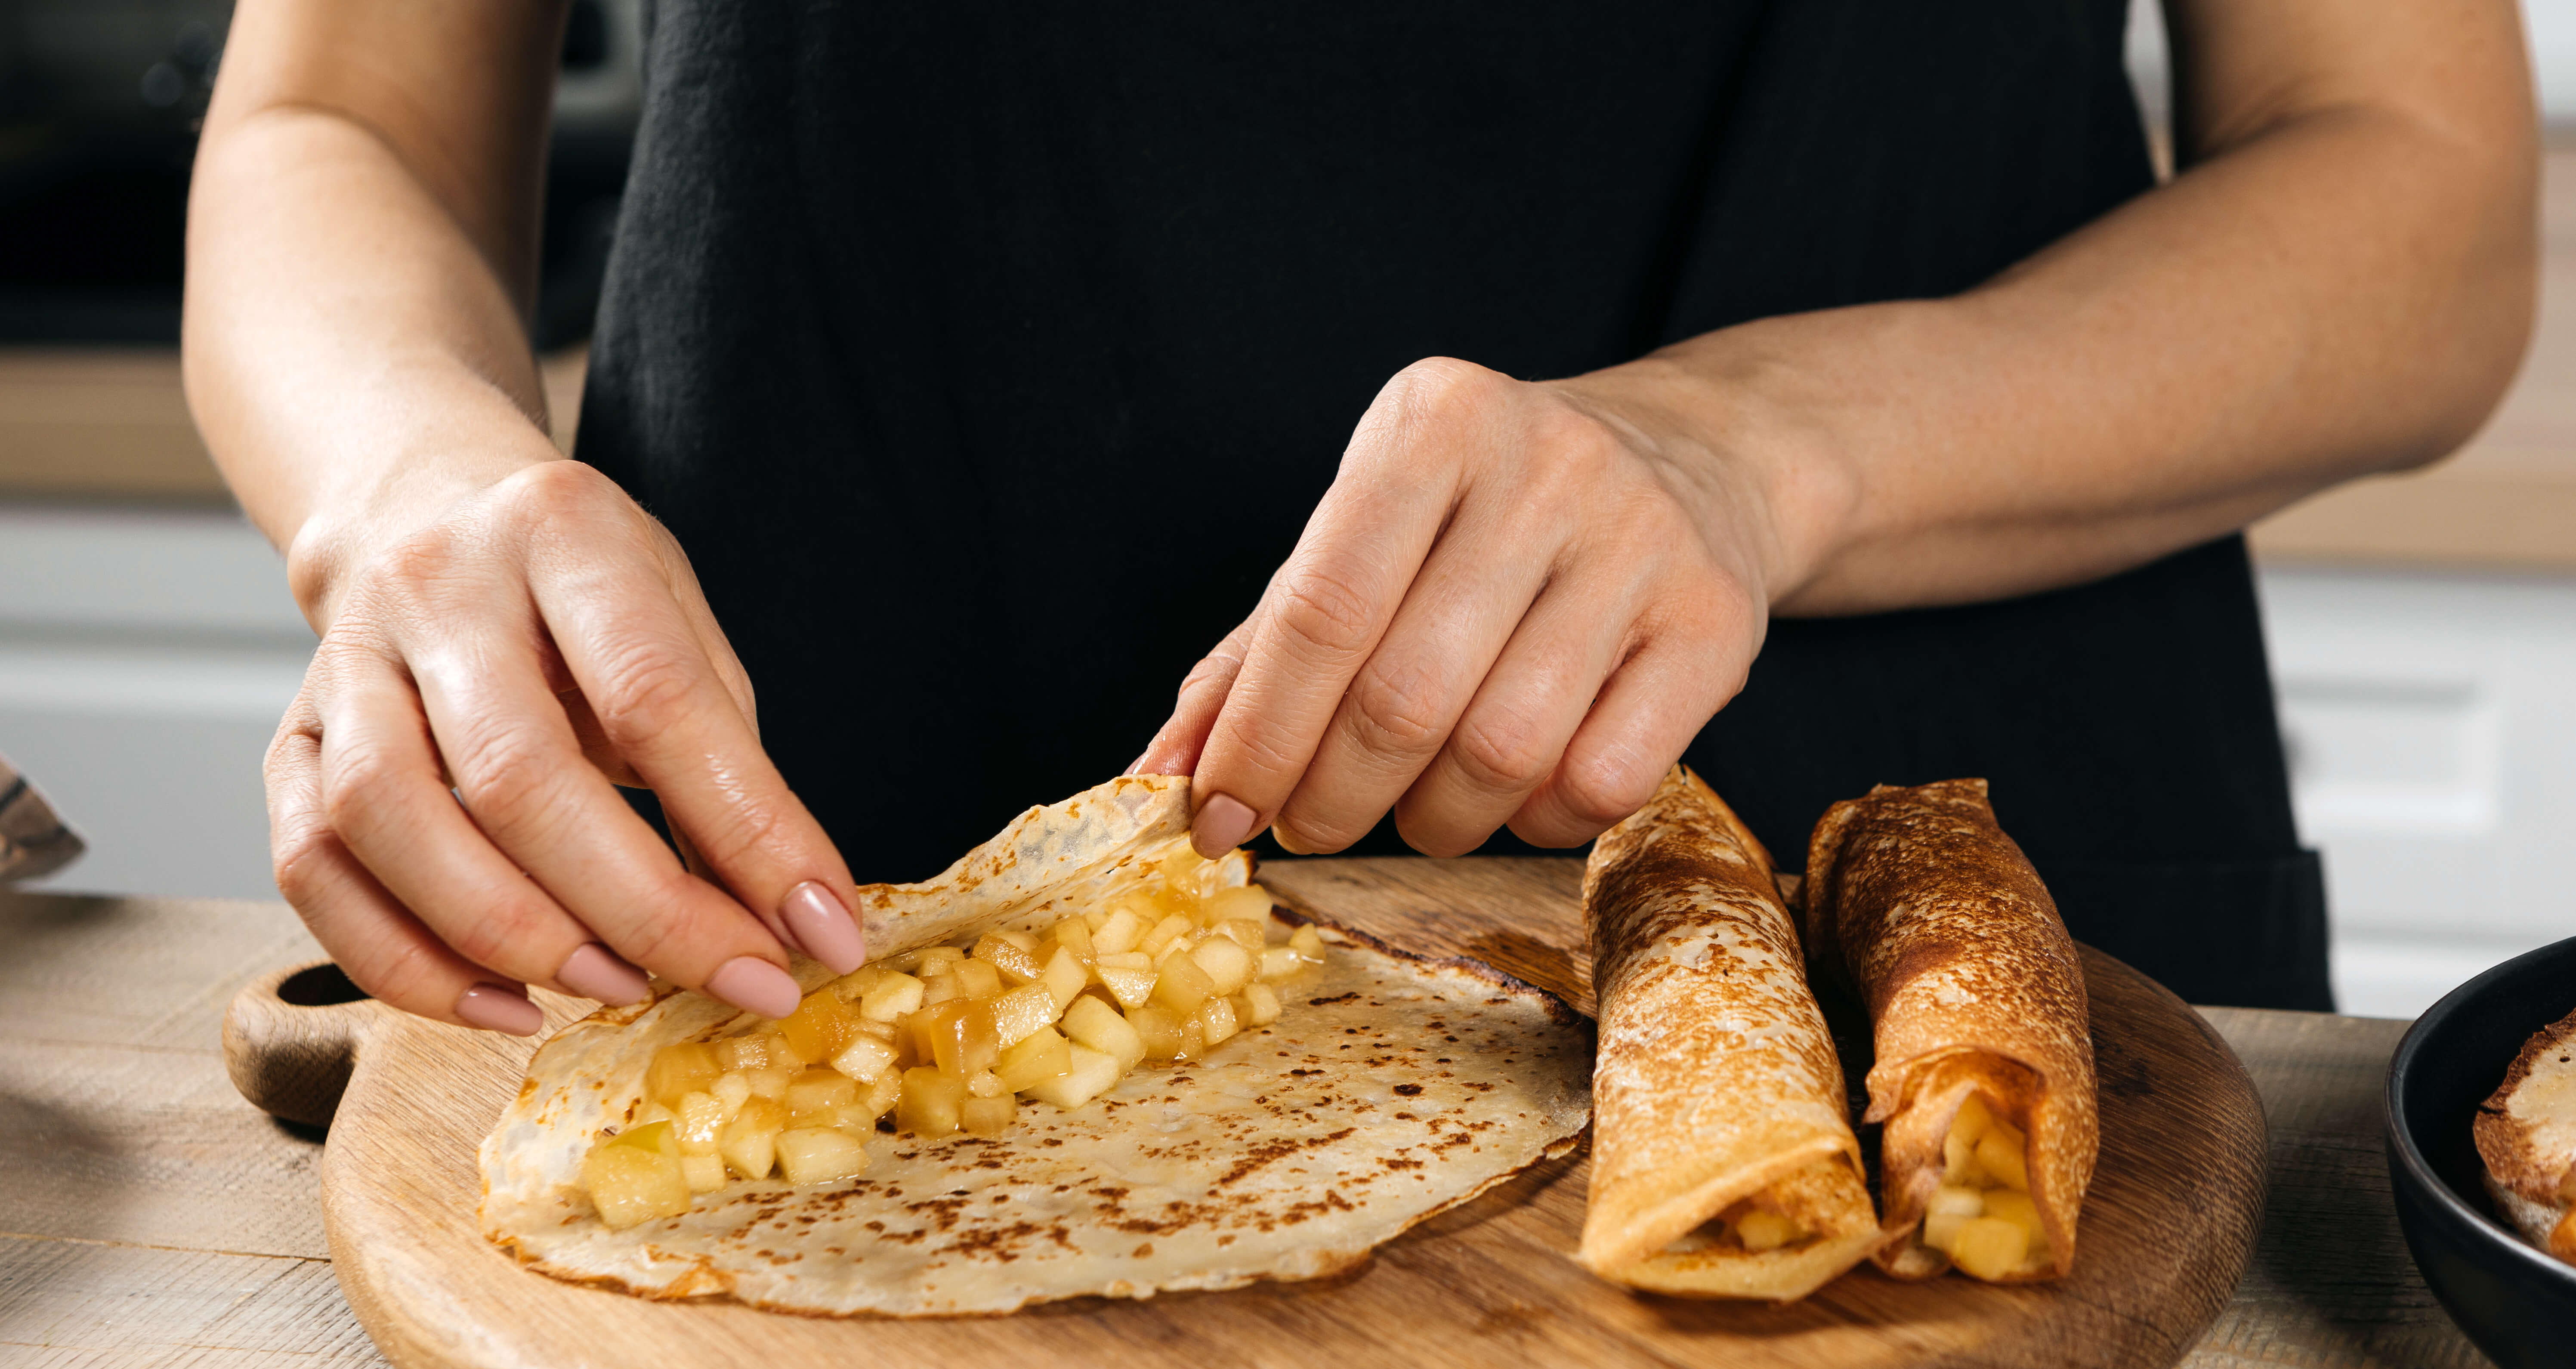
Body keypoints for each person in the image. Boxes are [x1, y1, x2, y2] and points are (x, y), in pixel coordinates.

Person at [184, 1, 2536, 1031]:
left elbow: (2413, 202)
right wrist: (405, 483)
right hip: (801, 897)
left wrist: (1750, 446)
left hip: (1902, 932)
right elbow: (337, 125)